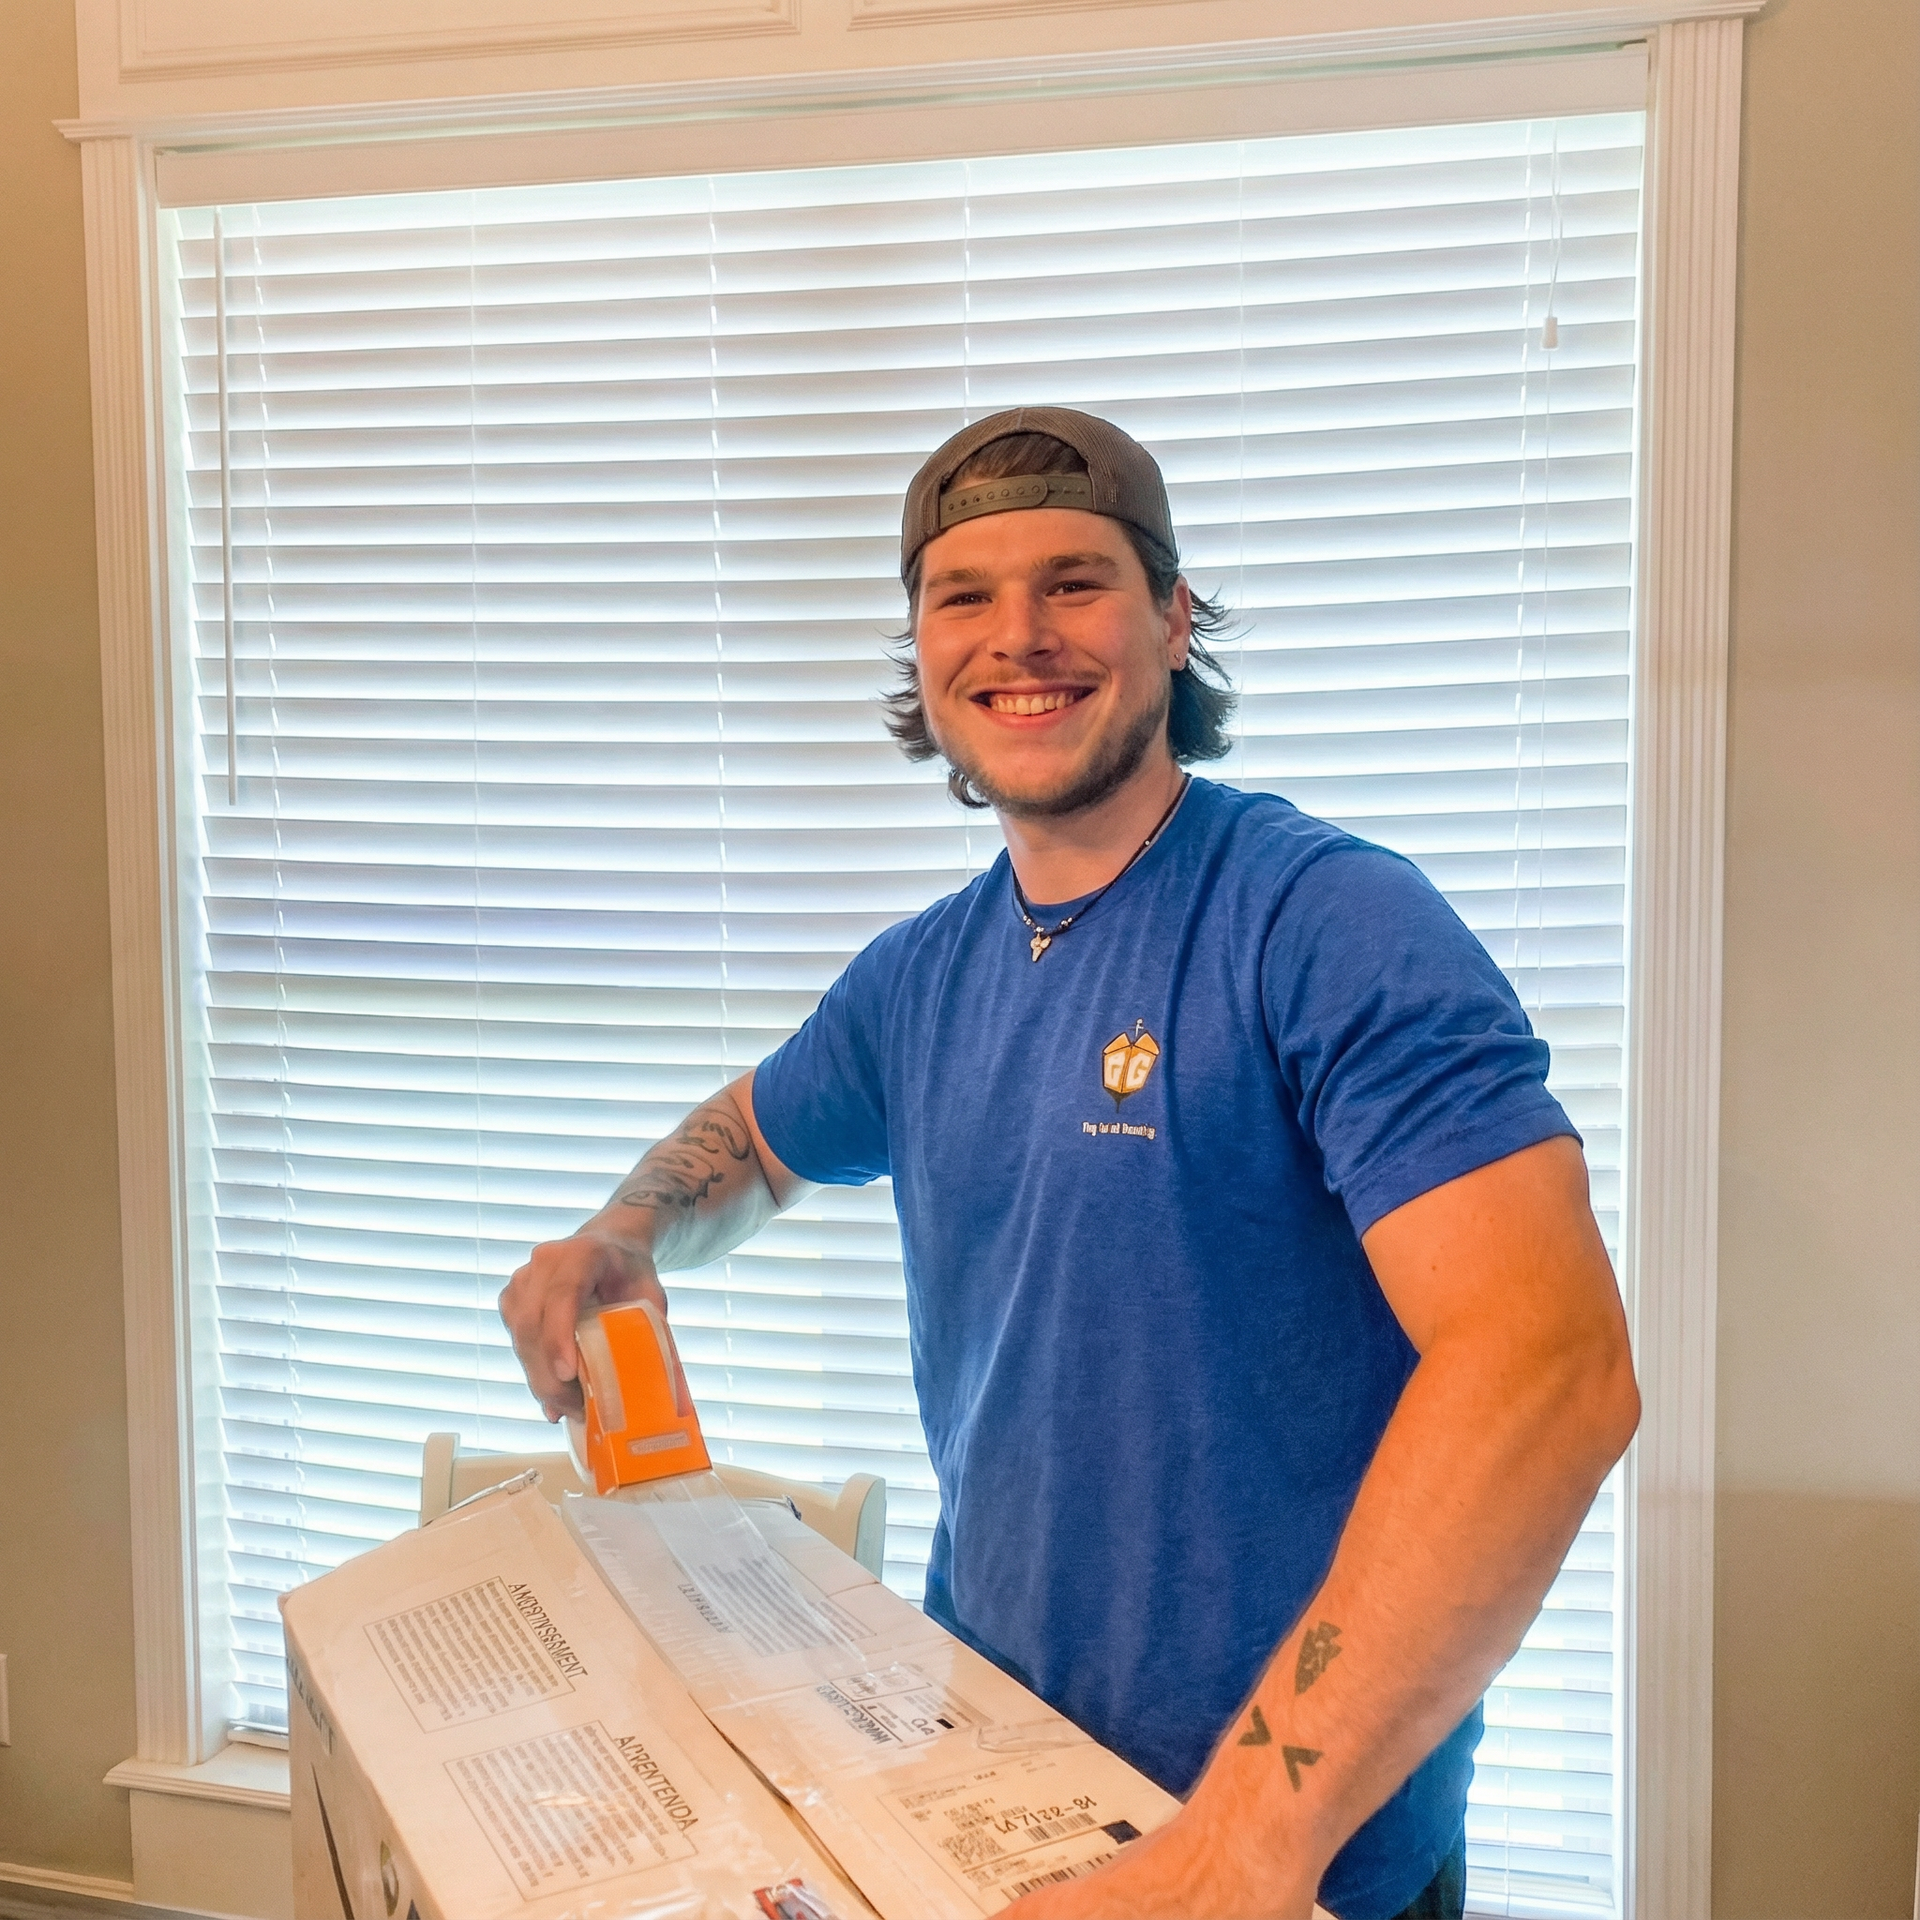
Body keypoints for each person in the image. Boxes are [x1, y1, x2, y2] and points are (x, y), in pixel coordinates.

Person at [499, 407, 1639, 1920]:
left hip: (1291, 1858)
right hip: (1007, 1788)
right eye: (962, 596)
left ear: (1173, 618)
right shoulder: (921, 979)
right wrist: (627, 1227)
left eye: (1076, 582)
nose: (1018, 636)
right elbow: (759, 1137)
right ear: (919, 648)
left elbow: (1549, 1368)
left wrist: (1241, 1849)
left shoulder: (1325, 925)